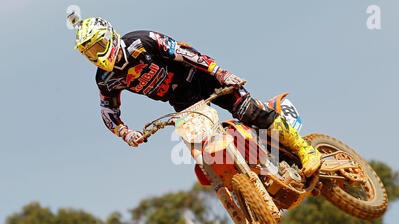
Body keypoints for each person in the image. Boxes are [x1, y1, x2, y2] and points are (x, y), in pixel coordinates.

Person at [70, 16, 321, 177]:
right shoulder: (104, 79)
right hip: (182, 102)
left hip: (202, 78)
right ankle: (256, 180)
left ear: (110, 36)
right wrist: (126, 133)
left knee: (249, 111)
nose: (96, 54)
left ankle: (305, 149)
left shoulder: (142, 41)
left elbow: (184, 52)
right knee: (204, 154)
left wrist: (219, 72)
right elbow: (108, 111)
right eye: (88, 52)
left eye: (98, 45)